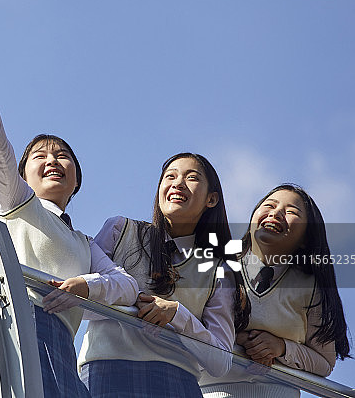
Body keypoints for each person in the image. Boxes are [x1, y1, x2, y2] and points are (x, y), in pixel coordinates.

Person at [0, 34, 139, 398]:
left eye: (62, 155)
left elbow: (127, 285)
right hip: (9, 320)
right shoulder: (18, 201)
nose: (52, 160)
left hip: (61, 340)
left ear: (76, 181)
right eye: (40, 155)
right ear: (22, 176)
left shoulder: (84, 243)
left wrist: (87, 286)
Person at [78, 153, 249, 398]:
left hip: (179, 382)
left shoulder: (218, 272)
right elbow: (79, 303)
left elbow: (221, 361)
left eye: (191, 178)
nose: (178, 183)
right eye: (170, 176)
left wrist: (177, 315)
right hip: (105, 370)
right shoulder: (120, 230)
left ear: (211, 199)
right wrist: (125, 293)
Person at [200, 184, 351, 398]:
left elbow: (324, 363)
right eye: (269, 205)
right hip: (210, 391)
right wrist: (235, 338)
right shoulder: (215, 263)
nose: (276, 212)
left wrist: (281, 348)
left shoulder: (311, 288)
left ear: (306, 239)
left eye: (291, 212)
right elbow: (191, 319)